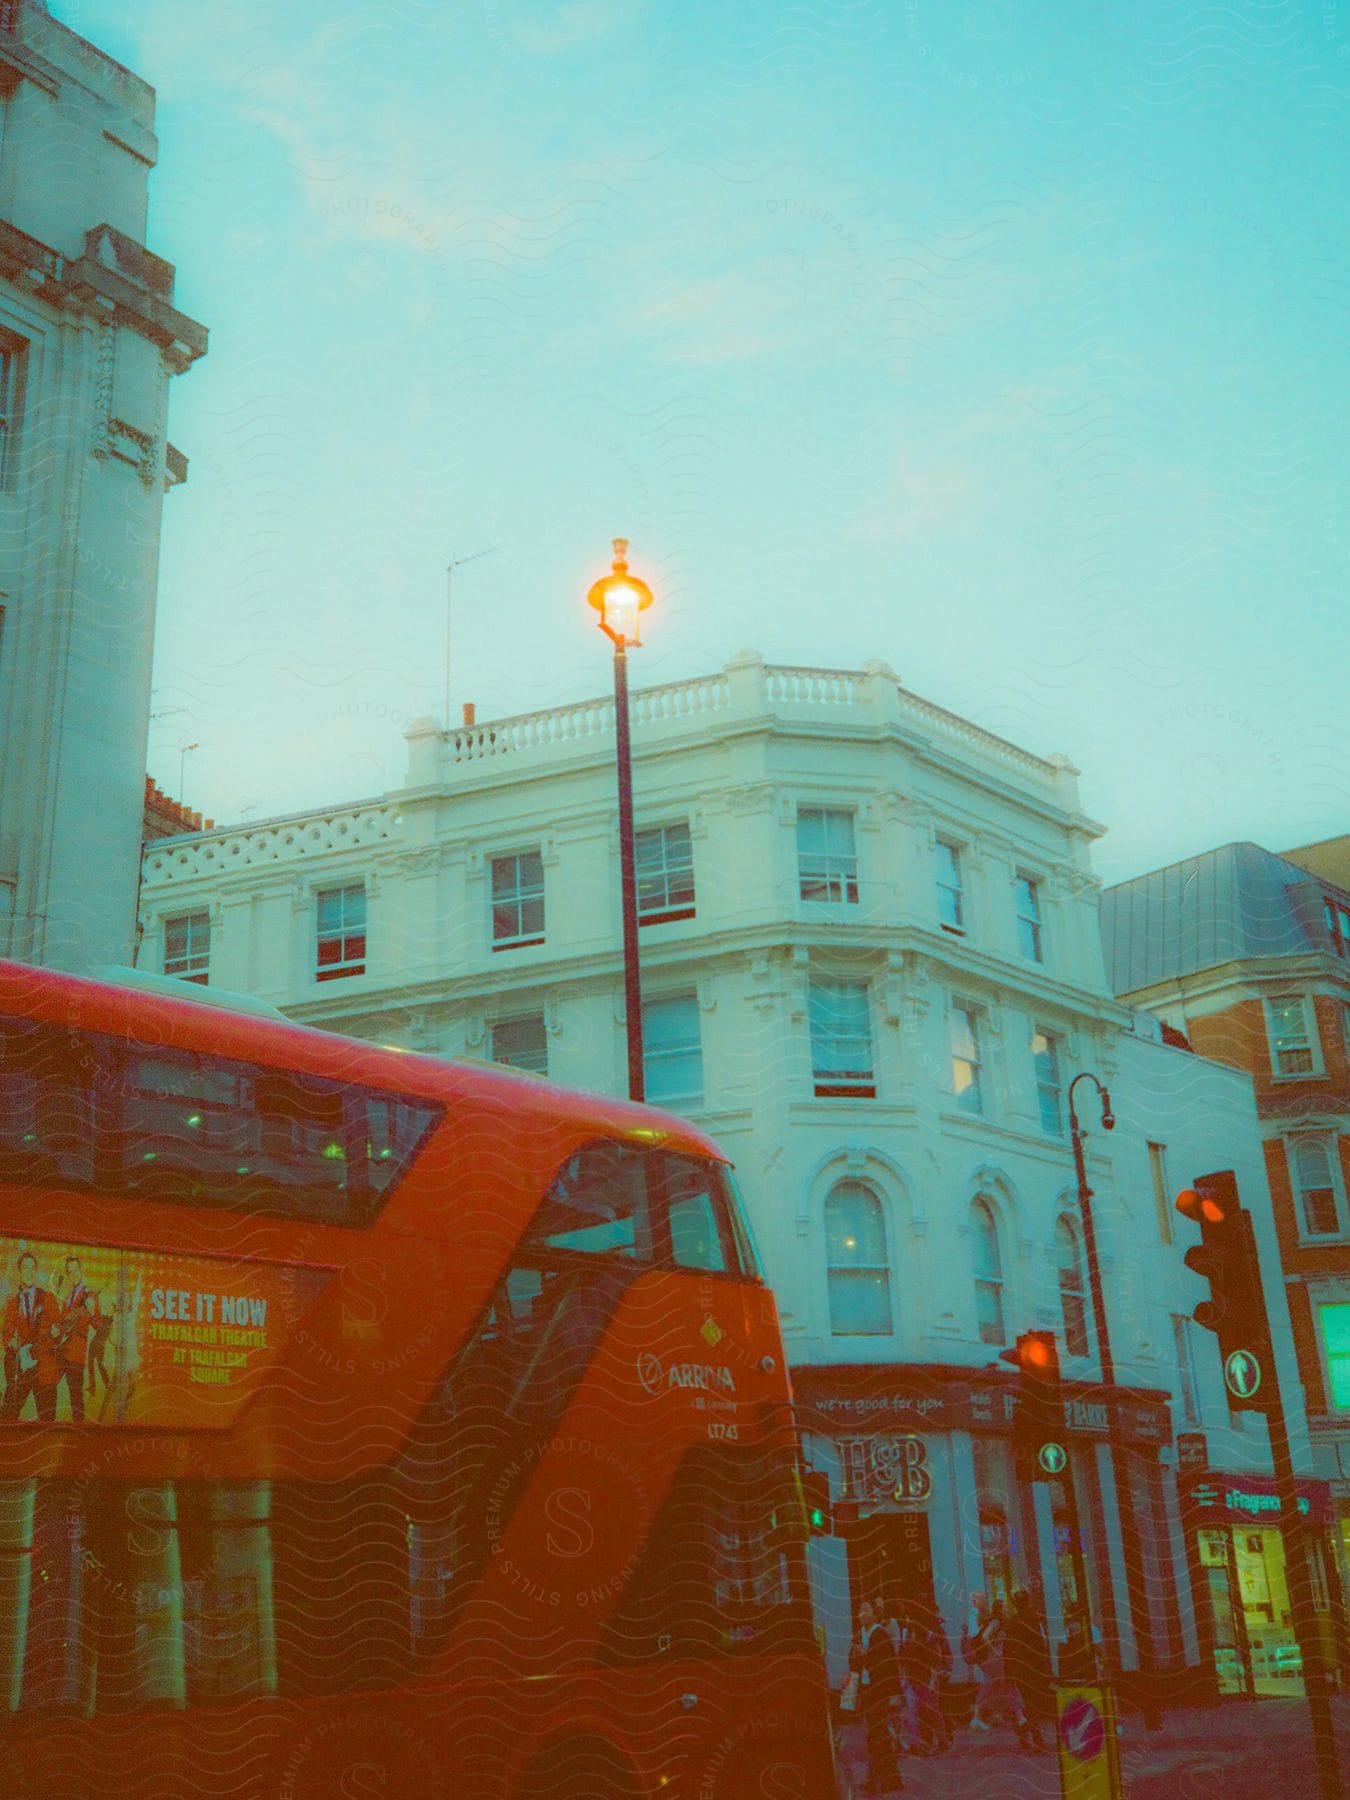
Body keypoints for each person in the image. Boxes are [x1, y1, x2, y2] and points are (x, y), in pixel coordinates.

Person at [849, 1600, 904, 1795]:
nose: (862, 1614)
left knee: (877, 1735)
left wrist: (862, 1655)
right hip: (867, 1691)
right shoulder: (860, 1635)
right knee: (876, 1736)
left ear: (874, 1613)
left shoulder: (880, 1635)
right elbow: (855, 1663)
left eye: (865, 1610)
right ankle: (886, 1779)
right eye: (859, 1610)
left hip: (879, 1691)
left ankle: (880, 1779)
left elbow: (882, 1666)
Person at [2, 1252, 59, 1421]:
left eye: (32, 1268)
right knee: (7, 1416)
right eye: (25, 1268)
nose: (29, 1272)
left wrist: (57, 1333)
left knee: (47, 1420)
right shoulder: (12, 1302)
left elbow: (58, 1328)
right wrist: (10, 1342)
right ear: (19, 1272)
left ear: (36, 1271)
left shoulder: (48, 1298)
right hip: (22, 1365)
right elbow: (7, 1332)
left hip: (45, 1366)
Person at [1004, 1590, 1053, 1752]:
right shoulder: (1034, 1619)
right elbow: (1042, 1645)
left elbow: (1007, 1648)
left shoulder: (1012, 1622)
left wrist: (1008, 1673)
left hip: (1020, 1670)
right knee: (1035, 1704)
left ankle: (1026, 1731)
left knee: (1028, 1703)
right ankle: (1036, 1739)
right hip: (1035, 1668)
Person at [901, 1600, 952, 1755]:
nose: (907, 1620)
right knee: (915, 1710)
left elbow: (935, 1657)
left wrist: (935, 1677)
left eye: (909, 1617)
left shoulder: (927, 1634)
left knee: (931, 1710)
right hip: (913, 1677)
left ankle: (941, 1740)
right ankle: (918, 1743)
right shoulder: (910, 1635)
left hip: (926, 1677)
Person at [52, 1255, 95, 1423]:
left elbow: (94, 1320)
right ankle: (48, 1424)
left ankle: (80, 1434)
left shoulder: (88, 1294)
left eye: (76, 1270)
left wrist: (90, 1311)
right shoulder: (69, 1295)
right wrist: (57, 1328)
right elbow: (64, 1321)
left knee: (75, 1397)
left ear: (81, 1270)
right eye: (70, 1272)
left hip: (76, 1354)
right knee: (48, 1386)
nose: (74, 1274)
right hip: (62, 1350)